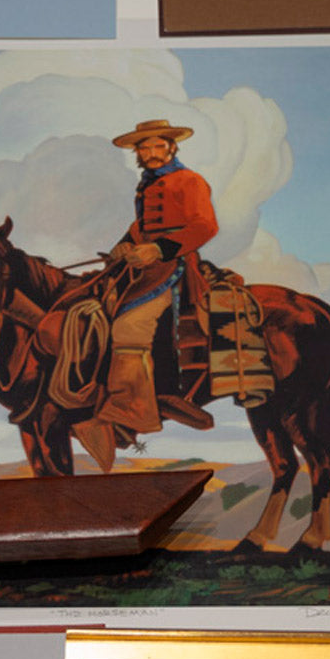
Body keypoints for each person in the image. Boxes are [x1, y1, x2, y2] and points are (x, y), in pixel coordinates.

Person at [75, 120, 219, 467]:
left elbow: (204, 226)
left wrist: (158, 250)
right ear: (137, 153)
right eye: (145, 148)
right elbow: (143, 227)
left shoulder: (190, 181)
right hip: (145, 266)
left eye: (158, 147)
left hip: (175, 266)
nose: (152, 154)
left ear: (172, 148)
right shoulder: (147, 185)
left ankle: (130, 412)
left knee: (129, 326)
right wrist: (122, 249)